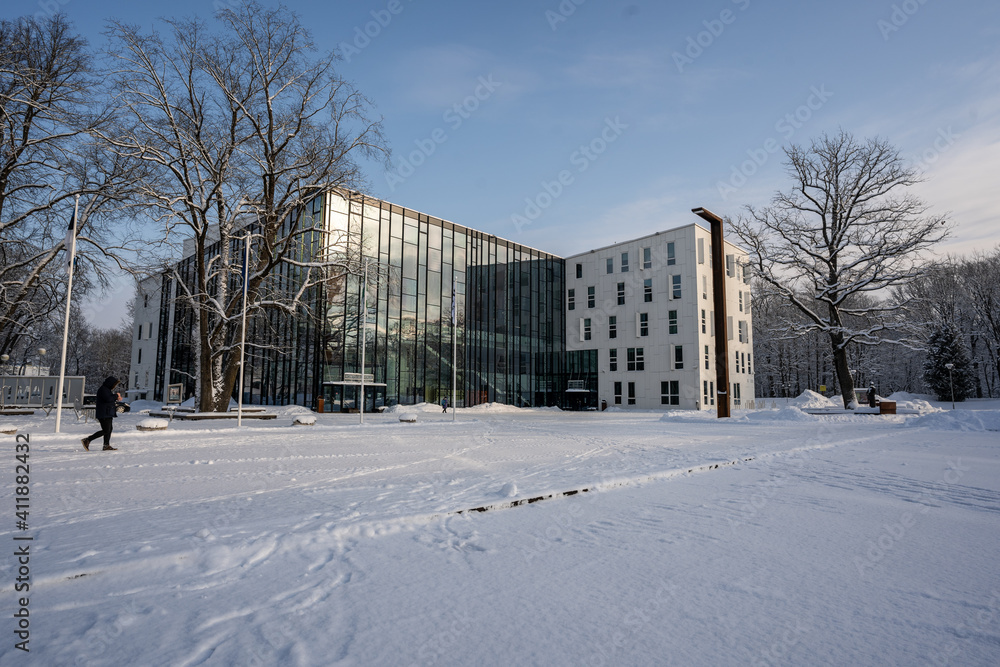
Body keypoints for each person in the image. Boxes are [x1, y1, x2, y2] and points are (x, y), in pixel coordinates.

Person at [82, 376, 121, 451]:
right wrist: (116, 396)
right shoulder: (103, 389)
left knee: (109, 429)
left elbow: (109, 399)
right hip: (104, 413)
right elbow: (108, 399)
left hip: (107, 413)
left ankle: (106, 445)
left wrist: (115, 398)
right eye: (114, 384)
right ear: (110, 383)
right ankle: (87, 440)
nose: (114, 386)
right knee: (106, 430)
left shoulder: (107, 390)